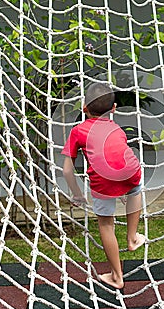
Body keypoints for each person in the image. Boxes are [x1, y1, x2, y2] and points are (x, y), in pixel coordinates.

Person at [62, 82, 145, 289]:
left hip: (103, 182)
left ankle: (117, 276)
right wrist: (124, 188)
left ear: (84, 108)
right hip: (130, 171)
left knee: (107, 225)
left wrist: (78, 195)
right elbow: (117, 155)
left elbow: (67, 170)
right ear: (114, 108)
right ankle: (132, 237)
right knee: (136, 188)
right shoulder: (116, 128)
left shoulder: (78, 131)